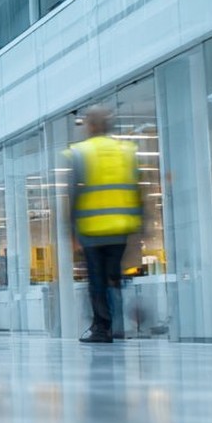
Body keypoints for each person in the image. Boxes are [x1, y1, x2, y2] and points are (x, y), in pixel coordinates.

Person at [65, 105, 144, 344]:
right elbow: (138, 190)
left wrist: (71, 230)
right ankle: (117, 325)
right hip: (121, 228)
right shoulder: (126, 151)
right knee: (114, 278)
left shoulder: (81, 152)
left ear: (91, 126)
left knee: (97, 281)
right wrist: (140, 227)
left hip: (92, 229)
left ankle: (102, 328)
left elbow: (73, 193)